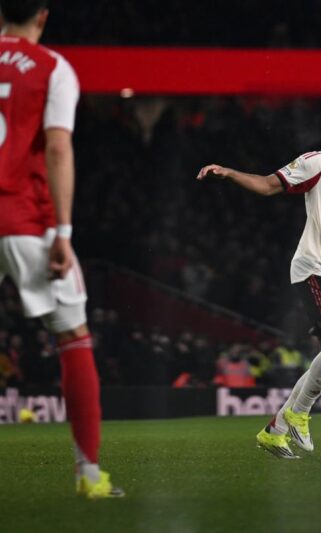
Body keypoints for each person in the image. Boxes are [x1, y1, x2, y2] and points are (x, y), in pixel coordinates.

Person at [197, 101, 321, 458]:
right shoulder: (320, 163)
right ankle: (297, 413)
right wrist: (229, 173)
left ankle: (277, 429)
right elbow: (269, 185)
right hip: (311, 267)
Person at [0, 0, 123, 497]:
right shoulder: (53, 68)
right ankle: (89, 474)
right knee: (73, 335)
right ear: (43, 16)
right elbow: (56, 147)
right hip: (25, 219)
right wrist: (63, 232)